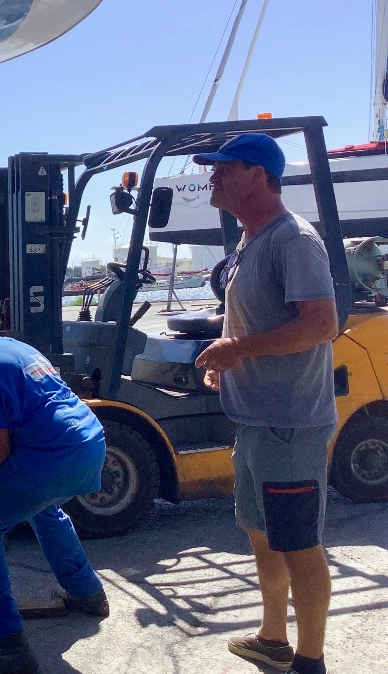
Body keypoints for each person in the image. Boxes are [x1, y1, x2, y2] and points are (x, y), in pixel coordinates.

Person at [193, 133, 339, 674]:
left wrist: (241, 349)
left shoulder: (291, 239)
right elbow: (257, 318)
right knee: (262, 536)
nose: (213, 178)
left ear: (258, 174)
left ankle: (310, 660)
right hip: (253, 421)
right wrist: (228, 359)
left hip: (290, 424)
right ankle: (273, 638)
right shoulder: (249, 241)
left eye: (223, 169)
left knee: (299, 543)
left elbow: (322, 324)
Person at [0, 290, 108, 674]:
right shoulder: (17, 347)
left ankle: (6, 646)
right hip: (89, 444)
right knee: (44, 508)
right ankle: (88, 593)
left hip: (53, 456)